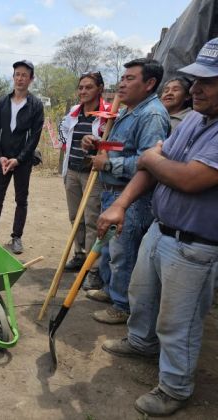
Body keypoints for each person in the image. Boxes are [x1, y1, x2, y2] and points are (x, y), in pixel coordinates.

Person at [97, 38, 218, 417]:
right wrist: (120, 203)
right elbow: (152, 166)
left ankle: (175, 386)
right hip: (161, 228)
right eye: (194, 81)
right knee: (142, 293)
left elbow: (189, 178)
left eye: (207, 82)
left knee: (177, 321)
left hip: (194, 244)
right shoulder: (196, 118)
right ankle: (141, 341)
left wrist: (152, 158)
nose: (195, 89)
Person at [82, 58, 170, 324]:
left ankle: (122, 306)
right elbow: (124, 148)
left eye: (130, 78)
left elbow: (149, 163)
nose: (122, 83)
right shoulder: (129, 111)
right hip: (112, 191)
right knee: (109, 249)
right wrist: (99, 145)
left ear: (150, 83)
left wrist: (107, 163)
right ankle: (111, 291)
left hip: (131, 197)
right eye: (122, 78)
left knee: (124, 252)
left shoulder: (151, 115)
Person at [0, 60, 44, 254]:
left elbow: (34, 136)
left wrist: (19, 159)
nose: (20, 78)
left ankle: (16, 237)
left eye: (24, 75)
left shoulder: (35, 105)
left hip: (22, 162)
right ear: (13, 77)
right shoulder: (2, 102)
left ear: (31, 79)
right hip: (2, 160)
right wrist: (0, 156)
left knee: (21, 200)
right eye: (17, 74)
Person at [59, 71, 110, 290]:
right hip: (72, 170)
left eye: (88, 87)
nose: (83, 91)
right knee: (75, 217)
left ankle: (93, 268)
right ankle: (79, 255)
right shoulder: (73, 113)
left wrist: (97, 144)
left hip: (93, 175)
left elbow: (113, 144)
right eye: (80, 87)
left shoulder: (109, 114)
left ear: (100, 89)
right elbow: (64, 137)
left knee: (91, 219)